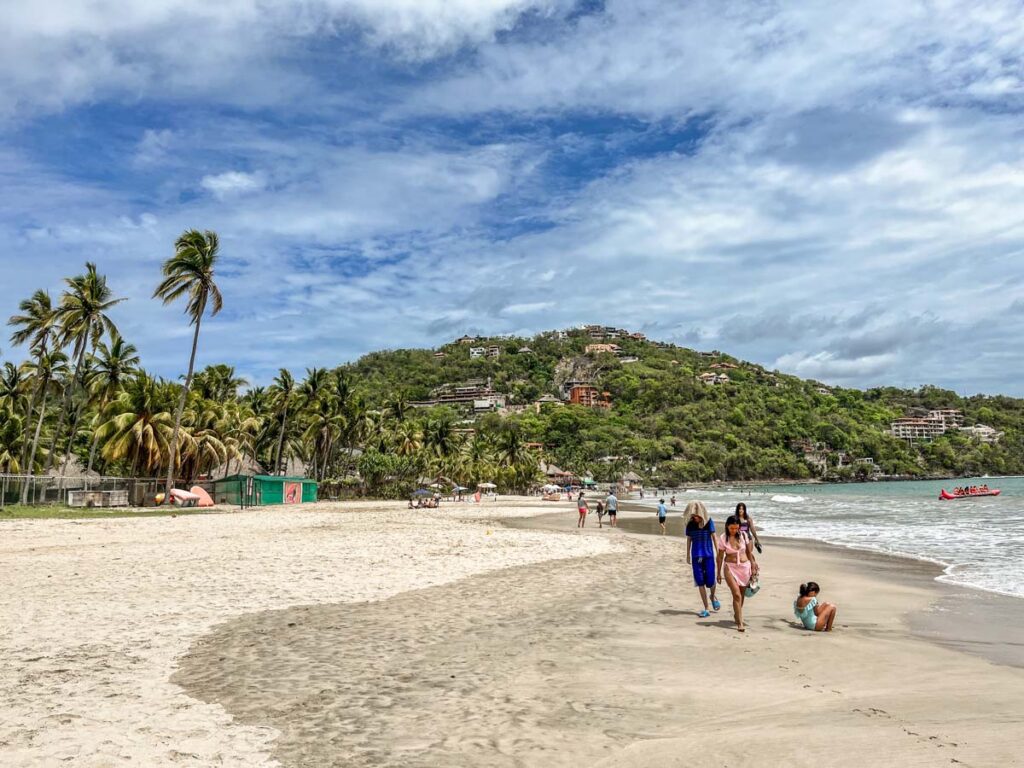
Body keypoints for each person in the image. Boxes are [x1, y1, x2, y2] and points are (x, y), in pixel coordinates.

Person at [717, 515, 759, 632]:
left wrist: (753, 564)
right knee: (736, 594)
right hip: (730, 568)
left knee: (741, 595)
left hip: (745, 567)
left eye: (736, 528)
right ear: (727, 526)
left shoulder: (744, 535)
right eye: (732, 528)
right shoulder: (723, 538)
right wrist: (718, 573)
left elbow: (748, 552)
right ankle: (740, 622)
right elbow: (720, 557)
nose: (734, 530)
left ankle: (737, 614)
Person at [684, 501, 719, 617]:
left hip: (708, 555)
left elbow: (714, 537)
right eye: (693, 516)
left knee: (711, 581)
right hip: (696, 556)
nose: (695, 518)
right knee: (700, 582)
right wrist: (688, 555)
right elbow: (689, 539)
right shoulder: (690, 525)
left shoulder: (709, 522)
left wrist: (718, 552)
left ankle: (712, 596)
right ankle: (706, 608)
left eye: (697, 516)